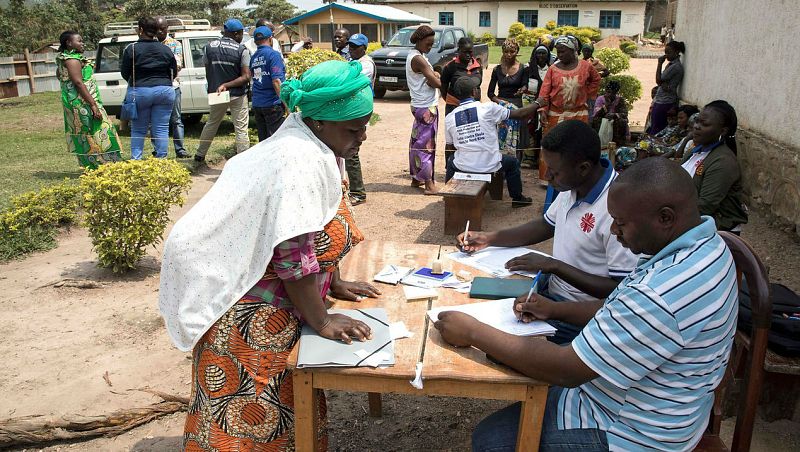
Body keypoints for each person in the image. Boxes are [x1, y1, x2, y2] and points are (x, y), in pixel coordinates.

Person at [437, 157, 738, 452]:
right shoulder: (706, 246)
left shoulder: (663, 292)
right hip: (664, 408)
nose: (615, 232)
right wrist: (554, 309)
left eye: (620, 224)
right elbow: (621, 307)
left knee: (491, 440)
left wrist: (473, 332)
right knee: (518, 381)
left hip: (630, 431)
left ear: (665, 218)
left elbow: (567, 369)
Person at [160, 60, 382, 451]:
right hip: (246, 313)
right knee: (253, 419)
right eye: (353, 128)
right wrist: (322, 318)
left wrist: (335, 280)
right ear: (318, 122)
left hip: (269, 295)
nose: (362, 135)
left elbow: (319, 224)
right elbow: (293, 258)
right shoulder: (296, 161)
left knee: (280, 416)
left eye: (365, 125)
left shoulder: (321, 145)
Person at [457, 120, 636, 344]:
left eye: (554, 171)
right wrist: (488, 238)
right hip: (549, 292)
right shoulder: (573, 186)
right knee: (468, 297)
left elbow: (617, 290)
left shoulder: (618, 210)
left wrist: (554, 266)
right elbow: (546, 225)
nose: (548, 176)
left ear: (583, 168)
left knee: (491, 344)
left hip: (579, 314)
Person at [444, 77, 534, 207]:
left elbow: (450, 145)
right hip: (490, 164)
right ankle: (518, 199)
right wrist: (538, 103)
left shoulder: (450, 117)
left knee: (452, 160)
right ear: (474, 92)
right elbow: (519, 114)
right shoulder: (488, 108)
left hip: (463, 166)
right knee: (513, 163)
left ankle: (449, 197)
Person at [533, 36, 601, 180]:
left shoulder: (585, 66)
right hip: (556, 115)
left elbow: (596, 79)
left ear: (573, 51)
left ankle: (575, 176)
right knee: (553, 146)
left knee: (577, 145)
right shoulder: (553, 69)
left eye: (563, 52)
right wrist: (543, 111)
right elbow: (544, 92)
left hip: (579, 113)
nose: (559, 55)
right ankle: (551, 177)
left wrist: (587, 95)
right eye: (558, 52)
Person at [55, 31, 122, 169]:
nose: (82, 43)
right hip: (82, 104)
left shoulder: (65, 59)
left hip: (77, 102)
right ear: (69, 43)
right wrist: (93, 105)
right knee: (97, 130)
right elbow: (78, 83)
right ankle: (105, 164)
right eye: (79, 41)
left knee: (89, 132)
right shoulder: (72, 60)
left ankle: (98, 164)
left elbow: (61, 77)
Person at [681, 100, 748, 233]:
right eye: (697, 121)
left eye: (704, 124)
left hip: (715, 230)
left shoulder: (723, 162)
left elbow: (704, 207)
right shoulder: (696, 150)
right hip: (689, 218)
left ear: (722, 131)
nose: (696, 126)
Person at [193, 19, 251, 163]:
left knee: (212, 123)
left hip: (217, 94)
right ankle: (243, 160)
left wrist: (215, 86)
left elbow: (208, 71)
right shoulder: (241, 50)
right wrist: (228, 84)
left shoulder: (209, 47)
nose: (241, 37)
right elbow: (246, 77)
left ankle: (200, 155)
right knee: (241, 128)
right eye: (241, 34)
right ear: (236, 33)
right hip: (237, 94)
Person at [120, 16, 177, 160]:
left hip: (140, 91)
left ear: (140, 30)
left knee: (138, 129)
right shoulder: (166, 49)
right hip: (165, 91)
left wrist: (136, 83)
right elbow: (173, 71)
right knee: (161, 128)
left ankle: (136, 159)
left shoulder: (131, 49)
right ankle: (161, 160)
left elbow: (124, 72)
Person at [406, 24, 442, 195]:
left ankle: (416, 178)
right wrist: (437, 78)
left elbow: (431, 75)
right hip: (427, 106)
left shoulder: (416, 55)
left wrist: (433, 75)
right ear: (419, 40)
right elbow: (435, 82)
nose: (430, 46)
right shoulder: (418, 59)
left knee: (417, 142)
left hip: (418, 104)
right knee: (427, 146)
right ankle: (428, 183)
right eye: (428, 43)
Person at [344, 33, 375, 206]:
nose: (352, 49)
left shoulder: (366, 64)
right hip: (350, 111)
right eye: (351, 46)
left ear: (365, 48)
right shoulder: (353, 63)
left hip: (358, 112)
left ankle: (358, 192)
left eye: (356, 47)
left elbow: (349, 82)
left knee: (351, 151)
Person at [488, 38, 530, 158]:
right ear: (502, 52)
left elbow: (525, 85)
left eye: (512, 51)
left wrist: (523, 89)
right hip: (501, 107)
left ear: (517, 51)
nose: (509, 54)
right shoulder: (497, 69)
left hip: (516, 107)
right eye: (506, 51)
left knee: (517, 139)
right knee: (499, 138)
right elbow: (490, 93)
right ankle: (499, 164)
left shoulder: (523, 68)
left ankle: (516, 164)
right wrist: (500, 101)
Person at [156, 17, 189, 158]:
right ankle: (158, 150)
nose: (159, 32)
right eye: (157, 29)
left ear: (167, 28)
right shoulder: (151, 43)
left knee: (176, 120)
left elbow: (178, 65)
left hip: (172, 87)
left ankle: (180, 150)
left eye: (162, 29)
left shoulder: (175, 44)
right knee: (157, 120)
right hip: (156, 87)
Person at [250, 26, 286, 142]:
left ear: (255, 41)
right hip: (272, 104)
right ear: (271, 39)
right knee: (275, 140)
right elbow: (276, 81)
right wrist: (287, 104)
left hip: (258, 104)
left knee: (263, 140)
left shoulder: (254, 57)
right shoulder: (273, 55)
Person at [521, 44, 551, 168]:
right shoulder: (528, 69)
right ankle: (529, 158)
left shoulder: (552, 69)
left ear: (548, 55)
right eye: (539, 53)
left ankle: (542, 160)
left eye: (544, 53)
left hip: (546, 104)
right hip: (531, 103)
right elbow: (524, 83)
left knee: (544, 129)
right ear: (535, 54)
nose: (541, 56)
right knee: (531, 129)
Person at [648, 40, 685, 135]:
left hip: (665, 102)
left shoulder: (675, 66)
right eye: (665, 52)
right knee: (654, 126)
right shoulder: (671, 64)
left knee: (657, 128)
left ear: (676, 52)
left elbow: (658, 80)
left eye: (669, 52)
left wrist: (659, 63)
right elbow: (661, 82)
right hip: (662, 100)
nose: (666, 55)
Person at [440, 37, 483, 119]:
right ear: (459, 50)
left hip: (474, 106)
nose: (468, 55)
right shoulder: (450, 67)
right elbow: (443, 87)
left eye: (470, 52)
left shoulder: (478, 66)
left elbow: (478, 85)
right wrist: (452, 101)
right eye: (464, 52)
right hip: (454, 106)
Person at [591, 80, 629, 145]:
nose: (609, 94)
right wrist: (606, 106)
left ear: (616, 92)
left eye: (612, 93)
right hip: (602, 120)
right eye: (608, 92)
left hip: (615, 120)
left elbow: (625, 113)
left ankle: (618, 143)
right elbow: (596, 114)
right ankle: (599, 142)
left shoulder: (620, 100)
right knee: (596, 120)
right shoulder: (600, 99)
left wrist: (614, 115)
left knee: (622, 121)